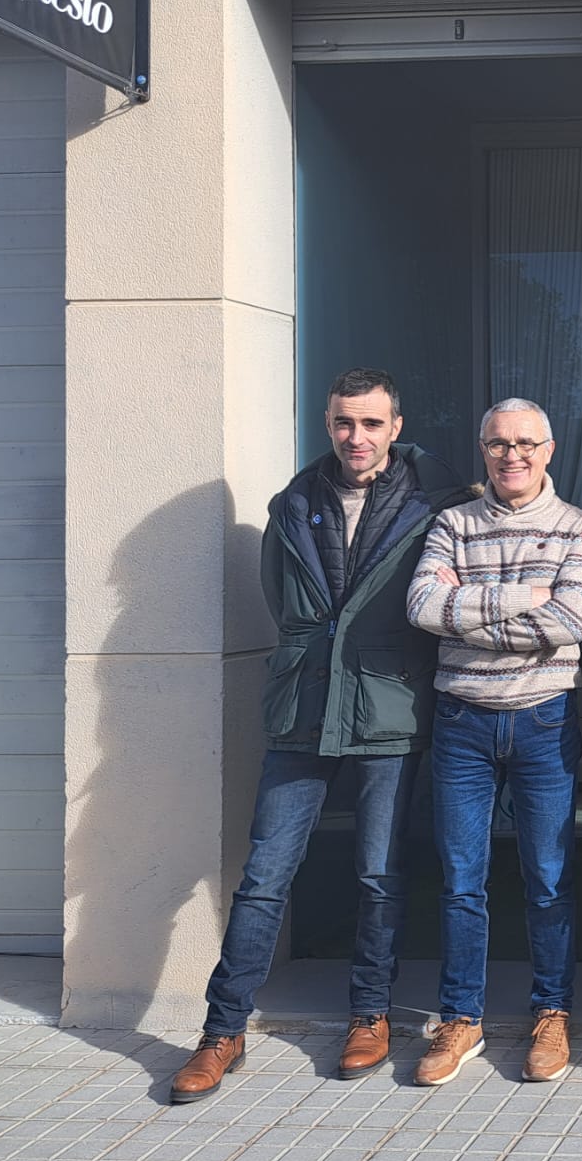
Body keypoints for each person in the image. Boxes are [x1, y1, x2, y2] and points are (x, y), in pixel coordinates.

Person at [170, 369, 465, 1104]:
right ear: (327, 425)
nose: (355, 438)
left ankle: (370, 1015)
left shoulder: (434, 506)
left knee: (377, 874)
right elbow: (283, 603)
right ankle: (222, 1030)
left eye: (370, 424)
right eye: (343, 423)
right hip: (302, 711)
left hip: (389, 711)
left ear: (395, 427)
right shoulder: (294, 504)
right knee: (266, 873)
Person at [405, 398, 582, 1087]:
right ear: (482, 449)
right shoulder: (452, 522)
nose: (510, 455)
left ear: (548, 450)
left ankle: (552, 1012)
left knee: (548, 879)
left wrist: (471, 610)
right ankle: (461, 1019)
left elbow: (573, 618)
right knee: (462, 881)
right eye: (496, 443)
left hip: (546, 720)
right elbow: (421, 605)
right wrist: (526, 599)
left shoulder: (576, 527)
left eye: (524, 443)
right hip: (461, 723)